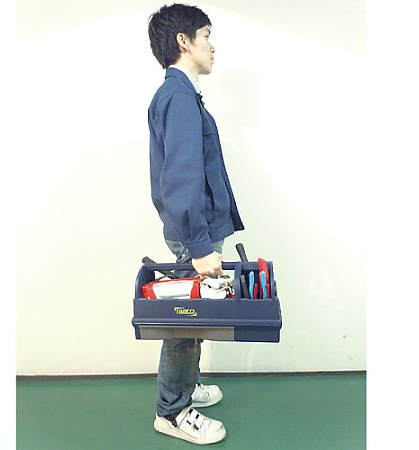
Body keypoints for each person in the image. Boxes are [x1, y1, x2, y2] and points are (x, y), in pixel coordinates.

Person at [147, 4, 244, 445]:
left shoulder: (181, 95)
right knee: (184, 322)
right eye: (206, 35)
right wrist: (201, 245)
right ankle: (172, 411)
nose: (212, 45)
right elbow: (182, 178)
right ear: (183, 41)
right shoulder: (179, 98)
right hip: (195, 232)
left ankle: (186, 386)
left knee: (196, 313)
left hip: (197, 228)